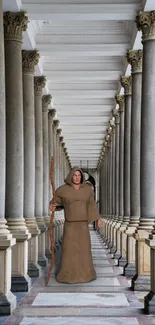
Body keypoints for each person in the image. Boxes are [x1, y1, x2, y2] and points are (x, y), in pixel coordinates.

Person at [49, 166, 102, 284]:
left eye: (79, 175)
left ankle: (86, 275)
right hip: (70, 226)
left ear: (82, 177)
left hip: (83, 226)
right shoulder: (62, 190)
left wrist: (97, 219)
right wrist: (52, 205)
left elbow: (92, 206)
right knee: (69, 250)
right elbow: (56, 203)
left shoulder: (88, 190)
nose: (77, 178)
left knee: (84, 250)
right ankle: (67, 276)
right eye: (75, 175)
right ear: (71, 176)